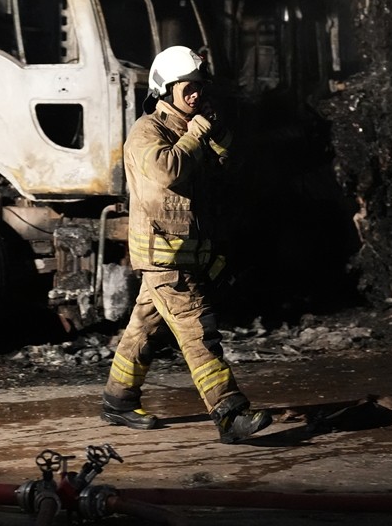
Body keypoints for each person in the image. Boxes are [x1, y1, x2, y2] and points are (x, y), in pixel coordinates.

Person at [101, 45, 273, 444]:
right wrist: (197, 133)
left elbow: (228, 167)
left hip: (184, 254)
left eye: (198, 87)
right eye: (186, 88)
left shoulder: (193, 127)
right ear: (165, 88)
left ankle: (118, 399)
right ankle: (230, 412)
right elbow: (167, 171)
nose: (194, 94)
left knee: (143, 327)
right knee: (199, 332)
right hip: (166, 257)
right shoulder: (147, 132)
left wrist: (214, 134)